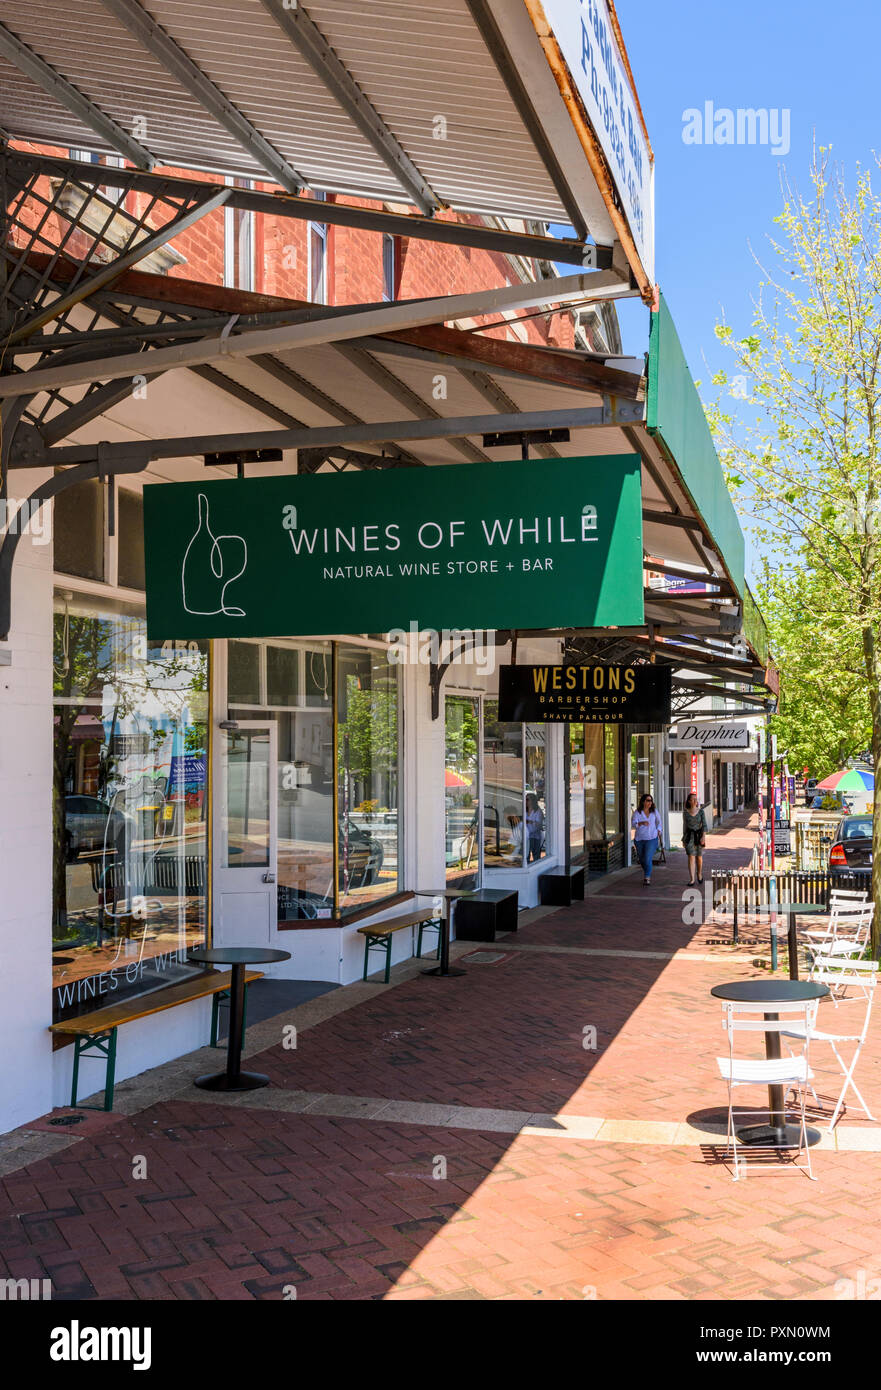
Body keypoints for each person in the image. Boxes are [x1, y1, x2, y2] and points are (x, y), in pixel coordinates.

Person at [631, 793, 663, 885]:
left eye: (651, 801)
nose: (650, 802)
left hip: (652, 838)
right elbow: (633, 824)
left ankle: (647, 877)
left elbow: (659, 822)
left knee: (647, 857)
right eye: (648, 800)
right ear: (643, 802)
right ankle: (647, 870)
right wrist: (641, 823)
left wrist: (659, 830)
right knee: (642, 860)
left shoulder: (654, 812)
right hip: (639, 839)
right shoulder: (638, 812)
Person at [682, 793, 708, 885]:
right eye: (693, 799)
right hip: (689, 837)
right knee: (691, 857)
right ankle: (692, 879)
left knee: (699, 857)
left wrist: (703, 837)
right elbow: (685, 826)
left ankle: (699, 873)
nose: (695, 801)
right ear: (689, 801)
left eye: (696, 799)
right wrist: (683, 839)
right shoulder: (685, 813)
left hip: (699, 836)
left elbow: (704, 825)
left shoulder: (701, 812)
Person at [525, 792, 544, 862]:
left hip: (535, 836)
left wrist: (529, 822)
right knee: (525, 855)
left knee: (536, 856)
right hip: (526, 836)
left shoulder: (538, 811)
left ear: (532, 801)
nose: (525, 801)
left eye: (527, 799)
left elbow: (538, 825)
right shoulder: (524, 811)